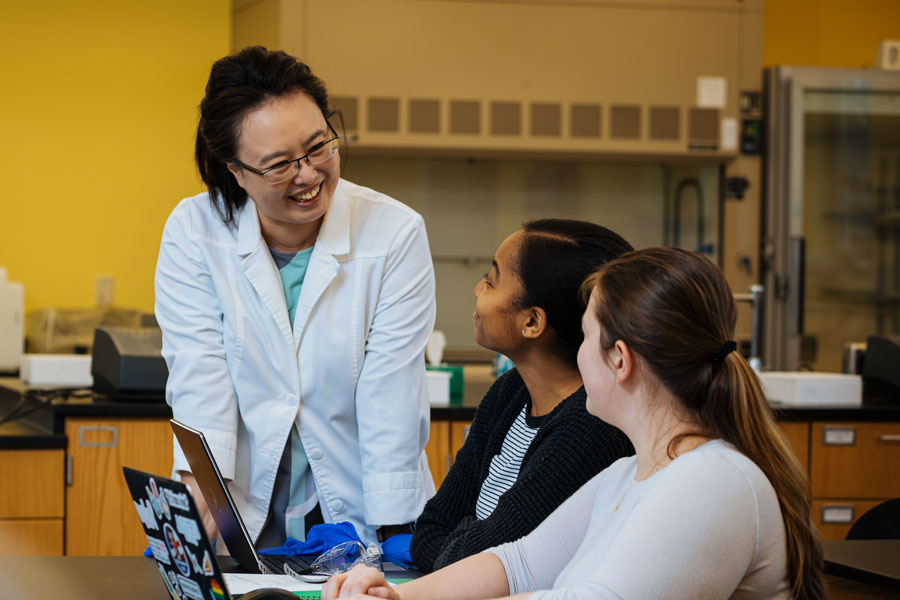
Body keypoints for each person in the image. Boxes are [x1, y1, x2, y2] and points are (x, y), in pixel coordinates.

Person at [323, 247, 826, 600]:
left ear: (620, 360)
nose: (577, 356)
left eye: (585, 338)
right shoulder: (630, 472)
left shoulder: (713, 481)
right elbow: (516, 563)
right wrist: (397, 597)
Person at [154, 46, 436, 549]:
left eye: (319, 146)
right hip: (242, 506)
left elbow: (390, 392)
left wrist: (395, 534)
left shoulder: (393, 233)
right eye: (279, 164)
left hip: (359, 507)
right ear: (235, 171)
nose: (308, 175)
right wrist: (201, 489)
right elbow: (199, 371)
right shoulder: (194, 231)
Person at [409, 219, 634, 572]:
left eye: (491, 280)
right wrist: (466, 544)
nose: (477, 288)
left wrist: (463, 539)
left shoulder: (590, 429)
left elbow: (497, 561)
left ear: (532, 322)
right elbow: (428, 532)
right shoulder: (510, 391)